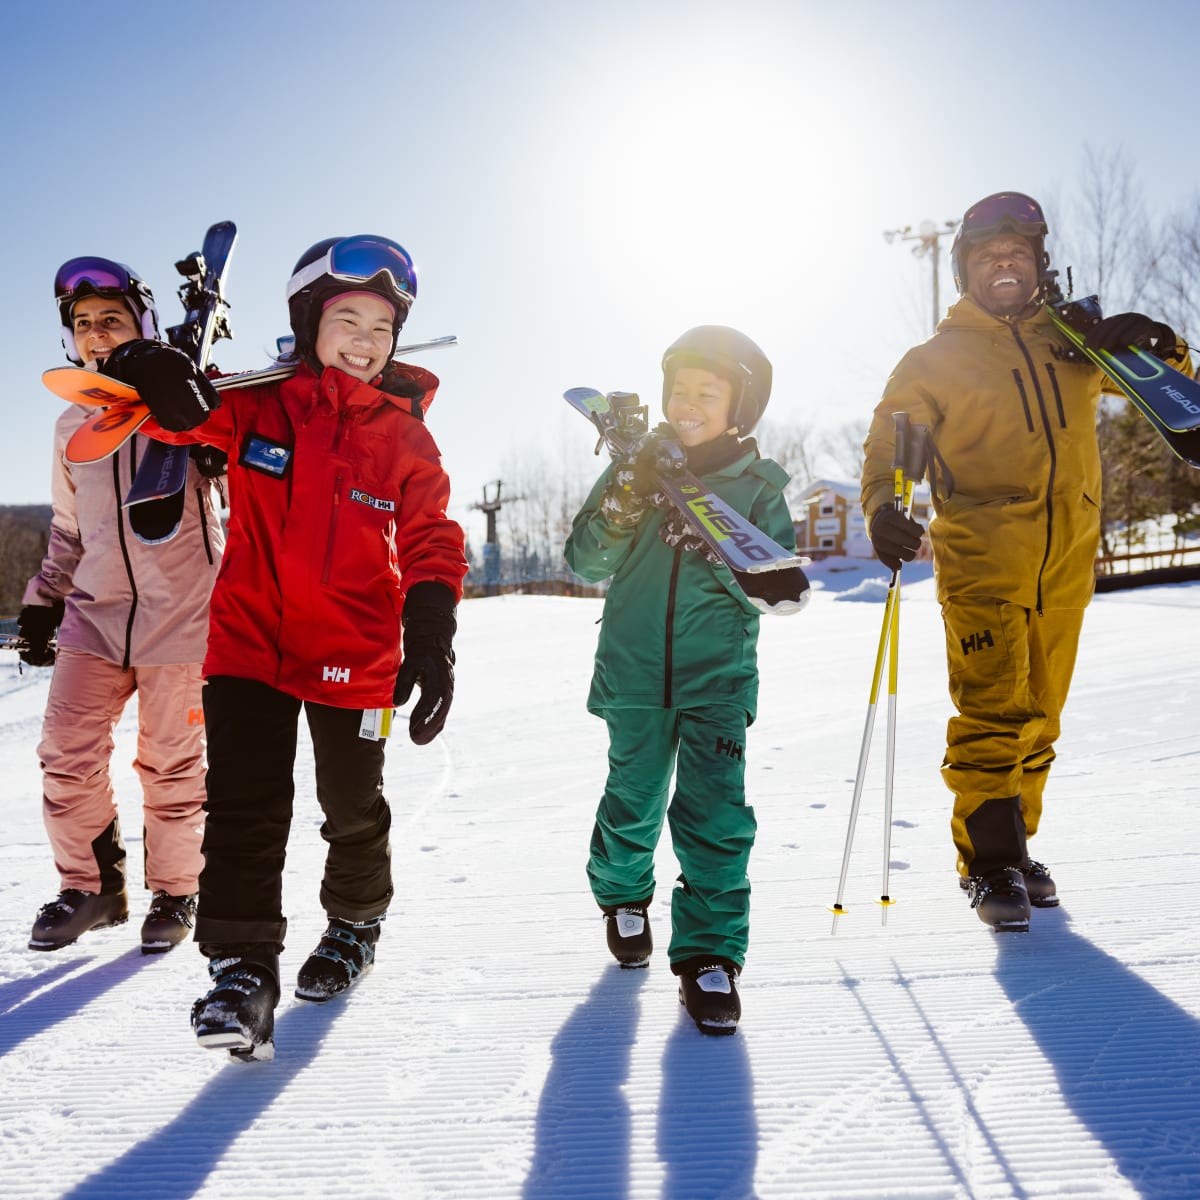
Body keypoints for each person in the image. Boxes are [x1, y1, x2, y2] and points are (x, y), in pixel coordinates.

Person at [99, 234, 468, 1060]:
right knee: (243, 810)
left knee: (350, 805)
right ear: (308, 323)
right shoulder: (261, 404)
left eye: (382, 325)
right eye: (347, 320)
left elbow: (433, 535)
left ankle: (355, 925)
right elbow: (185, 411)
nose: (366, 339)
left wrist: (432, 627)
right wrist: (152, 370)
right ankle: (242, 969)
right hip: (249, 645)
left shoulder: (405, 439)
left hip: (357, 651)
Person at [861, 191, 1192, 932]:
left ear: (1041, 265)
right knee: (992, 715)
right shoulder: (935, 359)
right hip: (982, 562)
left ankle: (1017, 850)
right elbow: (891, 441)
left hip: (1068, 565)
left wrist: (1158, 343)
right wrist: (886, 505)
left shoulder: (1075, 343)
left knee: (1042, 721)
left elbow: (1174, 395)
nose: (1003, 266)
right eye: (986, 257)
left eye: (1017, 255)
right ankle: (987, 867)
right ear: (964, 271)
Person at [564, 326, 808, 1035]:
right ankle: (622, 896)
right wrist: (629, 497)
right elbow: (586, 560)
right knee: (633, 803)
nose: (689, 402)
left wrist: (708, 542)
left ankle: (709, 955)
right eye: (680, 390)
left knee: (714, 820)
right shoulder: (635, 469)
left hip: (716, 682)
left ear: (741, 405)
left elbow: (774, 590)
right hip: (635, 675)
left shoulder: (760, 490)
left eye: (708, 391)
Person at [20, 257, 225, 955]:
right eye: (83, 325)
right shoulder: (69, 427)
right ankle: (93, 887)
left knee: (172, 763)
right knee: (65, 753)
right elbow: (69, 529)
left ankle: (176, 889)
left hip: (183, 613)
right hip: (95, 612)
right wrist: (43, 601)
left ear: (142, 321)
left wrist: (203, 426)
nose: (97, 335)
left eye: (111, 319)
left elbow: (237, 473)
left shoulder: (187, 395)